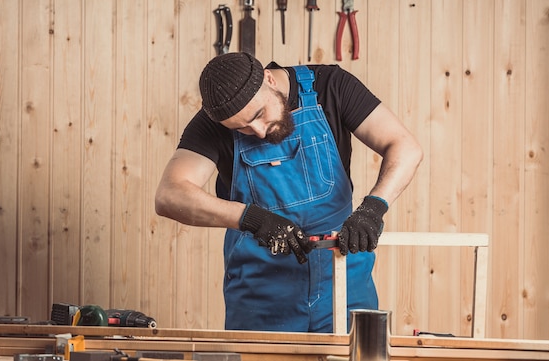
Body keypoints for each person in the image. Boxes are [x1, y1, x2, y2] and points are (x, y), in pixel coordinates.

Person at [155, 52, 423, 333]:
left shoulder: (331, 86)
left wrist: (373, 208)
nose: (258, 131)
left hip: (344, 282)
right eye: (241, 128)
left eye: (259, 115)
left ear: (269, 79)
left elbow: (405, 146)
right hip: (261, 296)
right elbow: (169, 195)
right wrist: (251, 219)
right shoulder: (213, 123)